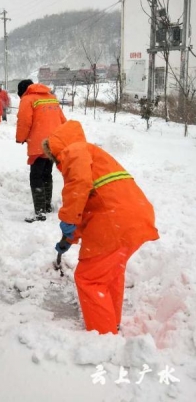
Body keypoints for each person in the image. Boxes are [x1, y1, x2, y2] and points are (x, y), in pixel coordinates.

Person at [42, 120, 159, 335]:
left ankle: (102, 335)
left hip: (114, 223)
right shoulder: (92, 155)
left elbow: (78, 187)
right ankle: (111, 323)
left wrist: (67, 219)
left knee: (89, 279)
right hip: (135, 218)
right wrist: (68, 239)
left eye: (52, 156)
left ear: (57, 146)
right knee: (111, 275)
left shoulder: (75, 150)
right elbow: (88, 204)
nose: (55, 161)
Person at [16, 79, 67, 223]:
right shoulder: (51, 97)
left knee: (36, 176)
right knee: (46, 173)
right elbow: (62, 120)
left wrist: (20, 138)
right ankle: (46, 205)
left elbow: (24, 121)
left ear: (23, 91)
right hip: (53, 143)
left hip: (38, 144)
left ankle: (39, 212)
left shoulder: (28, 99)